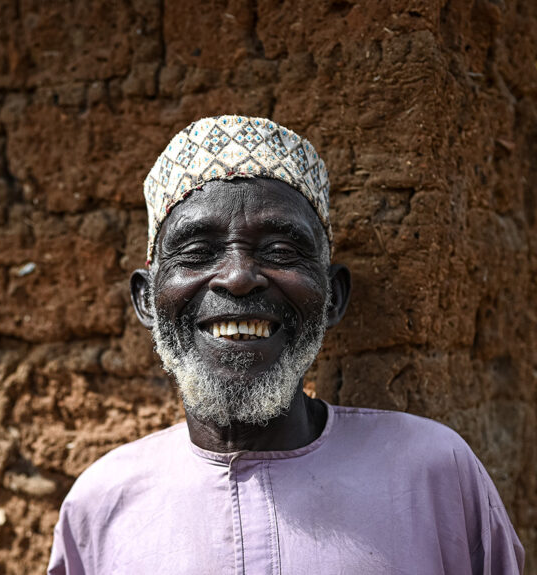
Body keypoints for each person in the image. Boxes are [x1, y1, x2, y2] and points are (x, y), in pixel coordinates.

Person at [47, 115, 525, 574]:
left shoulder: (434, 473)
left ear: (332, 296)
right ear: (147, 301)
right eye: (196, 253)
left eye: (280, 252)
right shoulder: (101, 506)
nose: (237, 278)